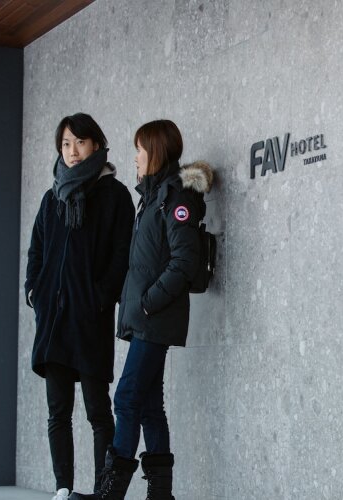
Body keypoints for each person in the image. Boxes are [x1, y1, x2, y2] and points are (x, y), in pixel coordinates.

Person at [69, 119, 213, 500]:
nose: (135, 157)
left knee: (126, 398)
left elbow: (184, 260)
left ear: (156, 151)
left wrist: (149, 302)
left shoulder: (175, 199)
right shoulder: (152, 197)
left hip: (155, 318)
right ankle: (161, 495)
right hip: (147, 319)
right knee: (149, 404)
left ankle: (109, 494)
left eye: (140, 149)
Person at [25, 113, 135, 500]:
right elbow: (37, 251)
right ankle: (63, 489)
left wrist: (100, 298)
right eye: (66, 144)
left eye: (80, 143)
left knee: (97, 411)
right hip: (54, 320)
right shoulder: (52, 196)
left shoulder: (115, 195)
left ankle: (102, 491)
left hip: (89, 319)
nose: (72, 152)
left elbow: (122, 254)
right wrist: (34, 291)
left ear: (96, 144)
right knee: (58, 412)